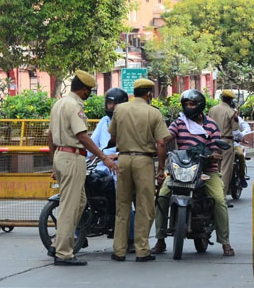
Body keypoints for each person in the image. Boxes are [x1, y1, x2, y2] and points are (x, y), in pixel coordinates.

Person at [152, 89, 235, 257]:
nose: (189, 107)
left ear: (200, 105)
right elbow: (167, 137)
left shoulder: (211, 125)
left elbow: (216, 148)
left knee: (219, 200)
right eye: (186, 104)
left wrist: (214, 154)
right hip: (181, 170)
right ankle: (160, 240)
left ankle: (225, 242)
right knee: (161, 197)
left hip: (206, 171)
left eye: (192, 104)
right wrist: (160, 140)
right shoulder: (179, 123)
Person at [47, 70, 117, 266]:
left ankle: (57, 243)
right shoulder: (73, 106)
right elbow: (83, 136)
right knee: (70, 206)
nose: (89, 94)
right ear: (83, 89)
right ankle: (63, 253)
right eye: (89, 91)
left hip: (61, 156)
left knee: (79, 202)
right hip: (72, 157)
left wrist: (54, 161)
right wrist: (104, 156)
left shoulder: (59, 104)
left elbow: (50, 136)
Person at [109, 78, 170, 262]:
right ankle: (142, 250)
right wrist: (161, 168)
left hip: (124, 159)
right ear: (149, 94)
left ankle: (119, 250)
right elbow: (161, 143)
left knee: (122, 205)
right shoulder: (153, 113)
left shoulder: (120, 109)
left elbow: (112, 137)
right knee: (144, 205)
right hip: (143, 161)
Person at [88, 88, 135, 249]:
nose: (112, 107)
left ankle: (130, 237)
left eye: (116, 104)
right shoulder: (103, 121)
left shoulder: (130, 121)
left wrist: (118, 154)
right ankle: (79, 232)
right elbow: (92, 144)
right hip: (102, 165)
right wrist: (86, 155)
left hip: (121, 165)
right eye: (110, 103)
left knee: (125, 199)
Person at [208, 89, 238, 197]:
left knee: (215, 168)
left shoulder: (212, 109)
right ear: (231, 101)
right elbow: (235, 128)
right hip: (226, 141)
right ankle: (222, 195)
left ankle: (212, 193)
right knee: (226, 169)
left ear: (221, 98)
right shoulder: (231, 112)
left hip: (213, 141)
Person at [233, 113, 253, 189]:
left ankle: (242, 176)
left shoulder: (236, 119)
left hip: (234, 144)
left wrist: (242, 135)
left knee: (240, 155)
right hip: (222, 144)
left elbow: (240, 132)